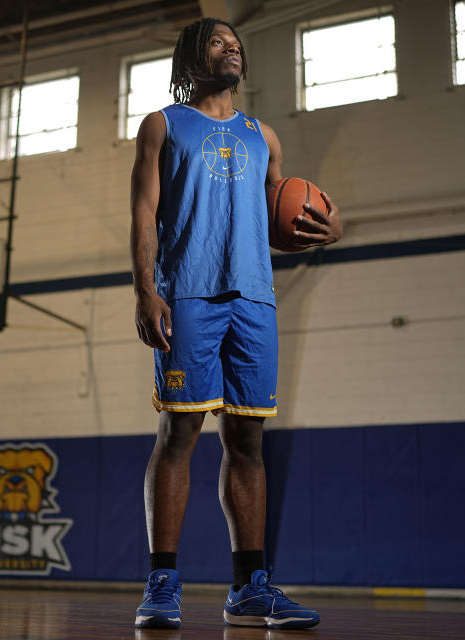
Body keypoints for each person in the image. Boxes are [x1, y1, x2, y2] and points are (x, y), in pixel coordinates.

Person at [128, 17, 343, 630]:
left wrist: (335, 225)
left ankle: (251, 587)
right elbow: (145, 210)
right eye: (218, 43)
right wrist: (147, 288)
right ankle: (162, 582)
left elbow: (285, 205)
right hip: (187, 295)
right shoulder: (163, 126)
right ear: (191, 59)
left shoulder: (263, 136)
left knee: (248, 443)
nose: (232, 50)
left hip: (254, 299)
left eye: (237, 45)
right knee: (180, 435)